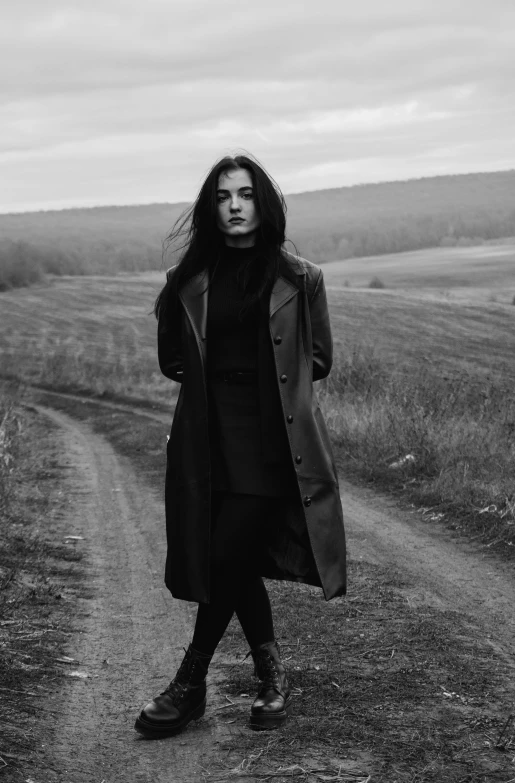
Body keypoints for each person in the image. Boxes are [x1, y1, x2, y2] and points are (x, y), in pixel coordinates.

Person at [135, 153, 346, 738]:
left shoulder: (301, 279)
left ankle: (190, 682)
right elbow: (172, 359)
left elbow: (319, 359)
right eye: (224, 196)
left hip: (273, 439)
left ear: (264, 203)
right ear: (212, 206)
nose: (235, 206)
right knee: (236, 558)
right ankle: (272, 675)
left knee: (227, 554)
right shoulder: (188, 282)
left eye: (246, 195)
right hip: (209, 440)